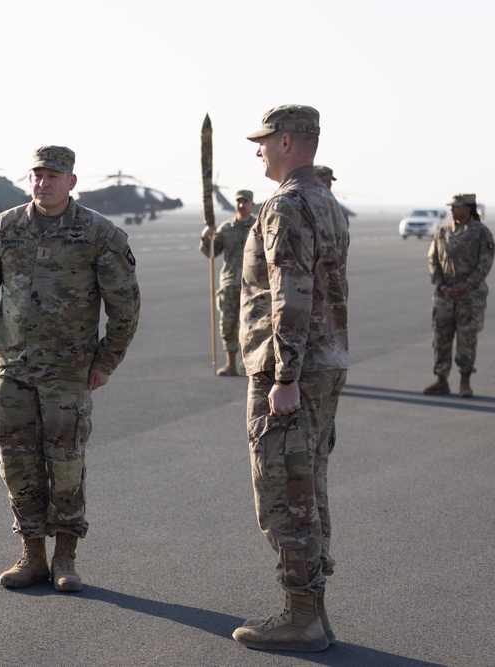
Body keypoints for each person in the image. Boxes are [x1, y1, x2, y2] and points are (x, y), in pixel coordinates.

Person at [0, 146, 140, 593]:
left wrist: (106, 361)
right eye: (37, 175)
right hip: (13, 369)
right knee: (17, 464)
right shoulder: (3, 229)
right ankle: (32, 554)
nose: (43, 183)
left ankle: (66, 557)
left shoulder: (98, 234)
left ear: (72, 181)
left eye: (53, 176)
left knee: (66, 464)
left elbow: (125, 305)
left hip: (68, 372)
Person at [233, 105, 349, 652]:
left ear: (286, 142)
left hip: (293, 372)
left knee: (284, 493)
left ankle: (301, 616)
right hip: (324, 365)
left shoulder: (285, 204)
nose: (257, 150)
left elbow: (291, 294)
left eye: (263, 141)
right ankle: (313, 611)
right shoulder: (326, 199)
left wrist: (284, 375)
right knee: (309, 488)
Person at [423, 193, 494, 397]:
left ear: (468, 208)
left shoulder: (481, 232)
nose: (452, 210)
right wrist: (440, 284)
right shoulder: (443, 230)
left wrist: (465, 286)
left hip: (470, 297)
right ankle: (441, 380)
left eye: (456, 206)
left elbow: (485, 263)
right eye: (451, 207)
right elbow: (432, 258)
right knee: (441, 338)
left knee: (467, 339)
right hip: (444, 295)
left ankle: (465, 382)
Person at [200, 189, 256, 376]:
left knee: (253, 327)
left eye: (245, 201)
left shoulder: (259, 226)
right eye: (239, 201)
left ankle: (250, 365)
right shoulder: (226, 228)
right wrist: (206, 237)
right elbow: (211, 253)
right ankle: (231, 364)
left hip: (254, 286)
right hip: (230, 284)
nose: (242, 205)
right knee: (228, 325)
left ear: (252, 204)